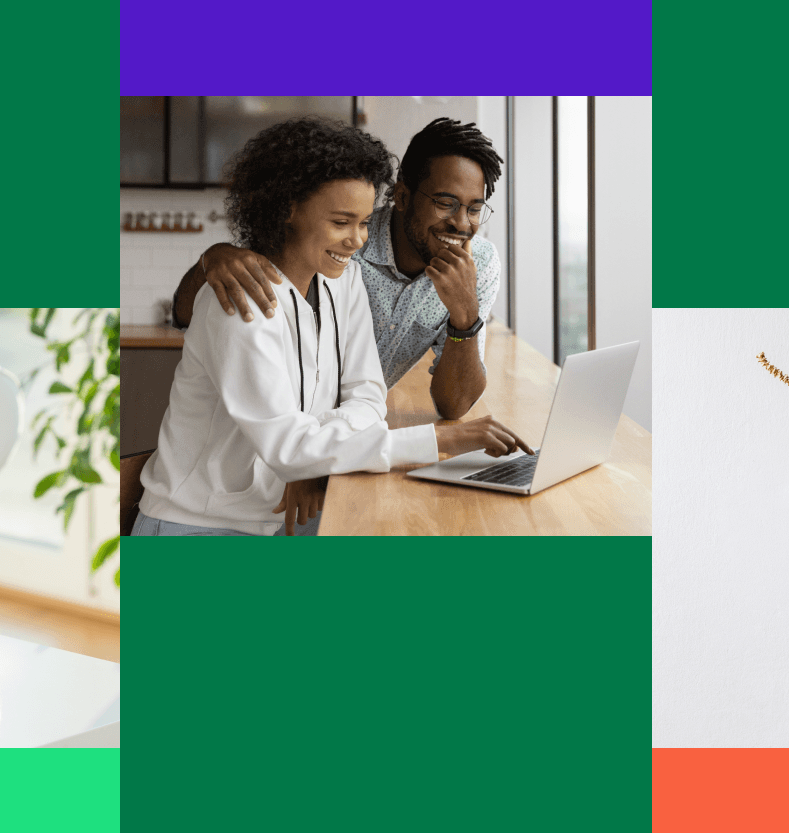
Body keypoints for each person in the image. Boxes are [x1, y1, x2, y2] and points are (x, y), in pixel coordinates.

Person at [135, 118, 530, 537]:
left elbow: (367, 396)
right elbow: (288, 447)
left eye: (362, 223)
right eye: (342, 223)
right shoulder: (242, 296)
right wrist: (441, 441)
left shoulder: (340, 281)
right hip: (199, 525)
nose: (358, 240)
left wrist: (319, 457)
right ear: (286, 209)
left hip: (280, 516)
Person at [172, 117, 503, 421]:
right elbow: (186, 314)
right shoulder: (336, 249)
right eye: (445, 204)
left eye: (474, 209)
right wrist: (212, 258)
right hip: (288, 430)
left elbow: (452, 406)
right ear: (401, 197)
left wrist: (465, 316)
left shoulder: (480, 265)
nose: (462, 223)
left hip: (339, 434)